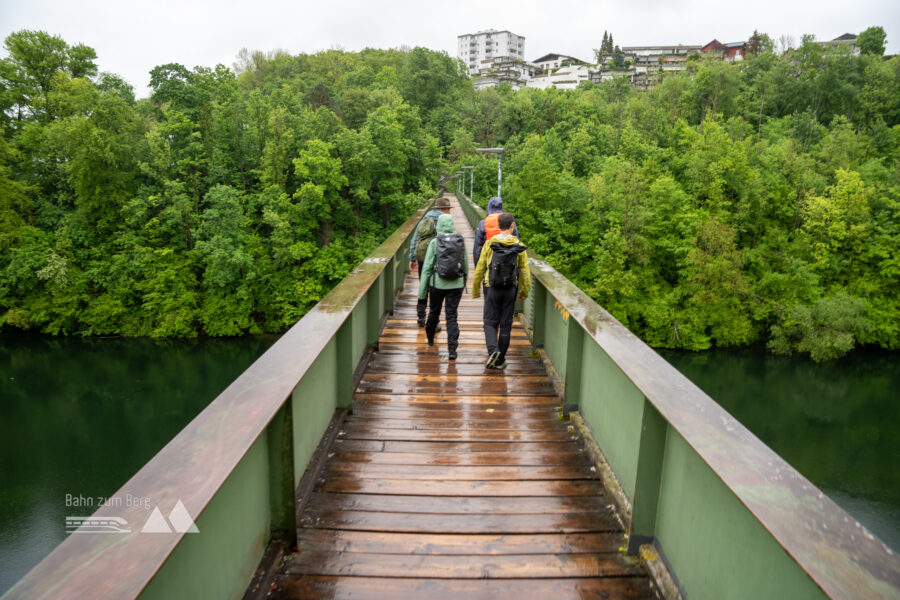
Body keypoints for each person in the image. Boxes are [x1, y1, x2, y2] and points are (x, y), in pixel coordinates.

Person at [472, 212, 530, 370]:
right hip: (510, 288)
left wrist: (476, 288)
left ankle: (493, 351)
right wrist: (524, 291)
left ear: (498, 226)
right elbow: (524, 270)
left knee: (490, 322)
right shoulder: (519, 245)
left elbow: (480, 267)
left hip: (491, 287)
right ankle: (500, 358)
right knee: (505, 324)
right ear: (512, 226)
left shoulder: (490, 243)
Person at [418, 214, 468, 360]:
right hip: (456, 284)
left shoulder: (435, 242)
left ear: (438, 225)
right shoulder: (460, 240)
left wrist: (422, 295)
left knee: (434, 311)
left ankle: (430, 337)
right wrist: (462, 283)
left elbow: (427, 268)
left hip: (437, 284)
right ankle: (452, 349)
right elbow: (465, 266)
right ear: (453, 224)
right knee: (451, 316)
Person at [409, 196, 451, 327]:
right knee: (435, 288)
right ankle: (434, 321)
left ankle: (421, 316)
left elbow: (415, 238)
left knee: (423, 285)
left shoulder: (426, 217)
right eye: (449, 209)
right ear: (445, 209)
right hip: (438, 259)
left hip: (423, 257)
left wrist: (412, 258)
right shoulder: (445, 220)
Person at [473, 196, 518, 267]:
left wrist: (477, 266)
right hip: (507, 263)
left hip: (490, 261)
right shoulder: (511, 223)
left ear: (489, 207)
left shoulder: (483, 223)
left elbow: (477, 248)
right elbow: (516, 244)